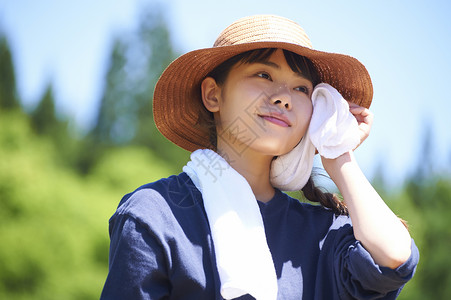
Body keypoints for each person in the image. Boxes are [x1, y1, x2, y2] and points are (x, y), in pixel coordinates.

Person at [100, 15, 419, 299]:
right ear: (213, 94)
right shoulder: (157, 214)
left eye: (302, 89)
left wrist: (338, 154)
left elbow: (394, 258)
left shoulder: (325, 235)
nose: (283, 97)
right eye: (264, 75)